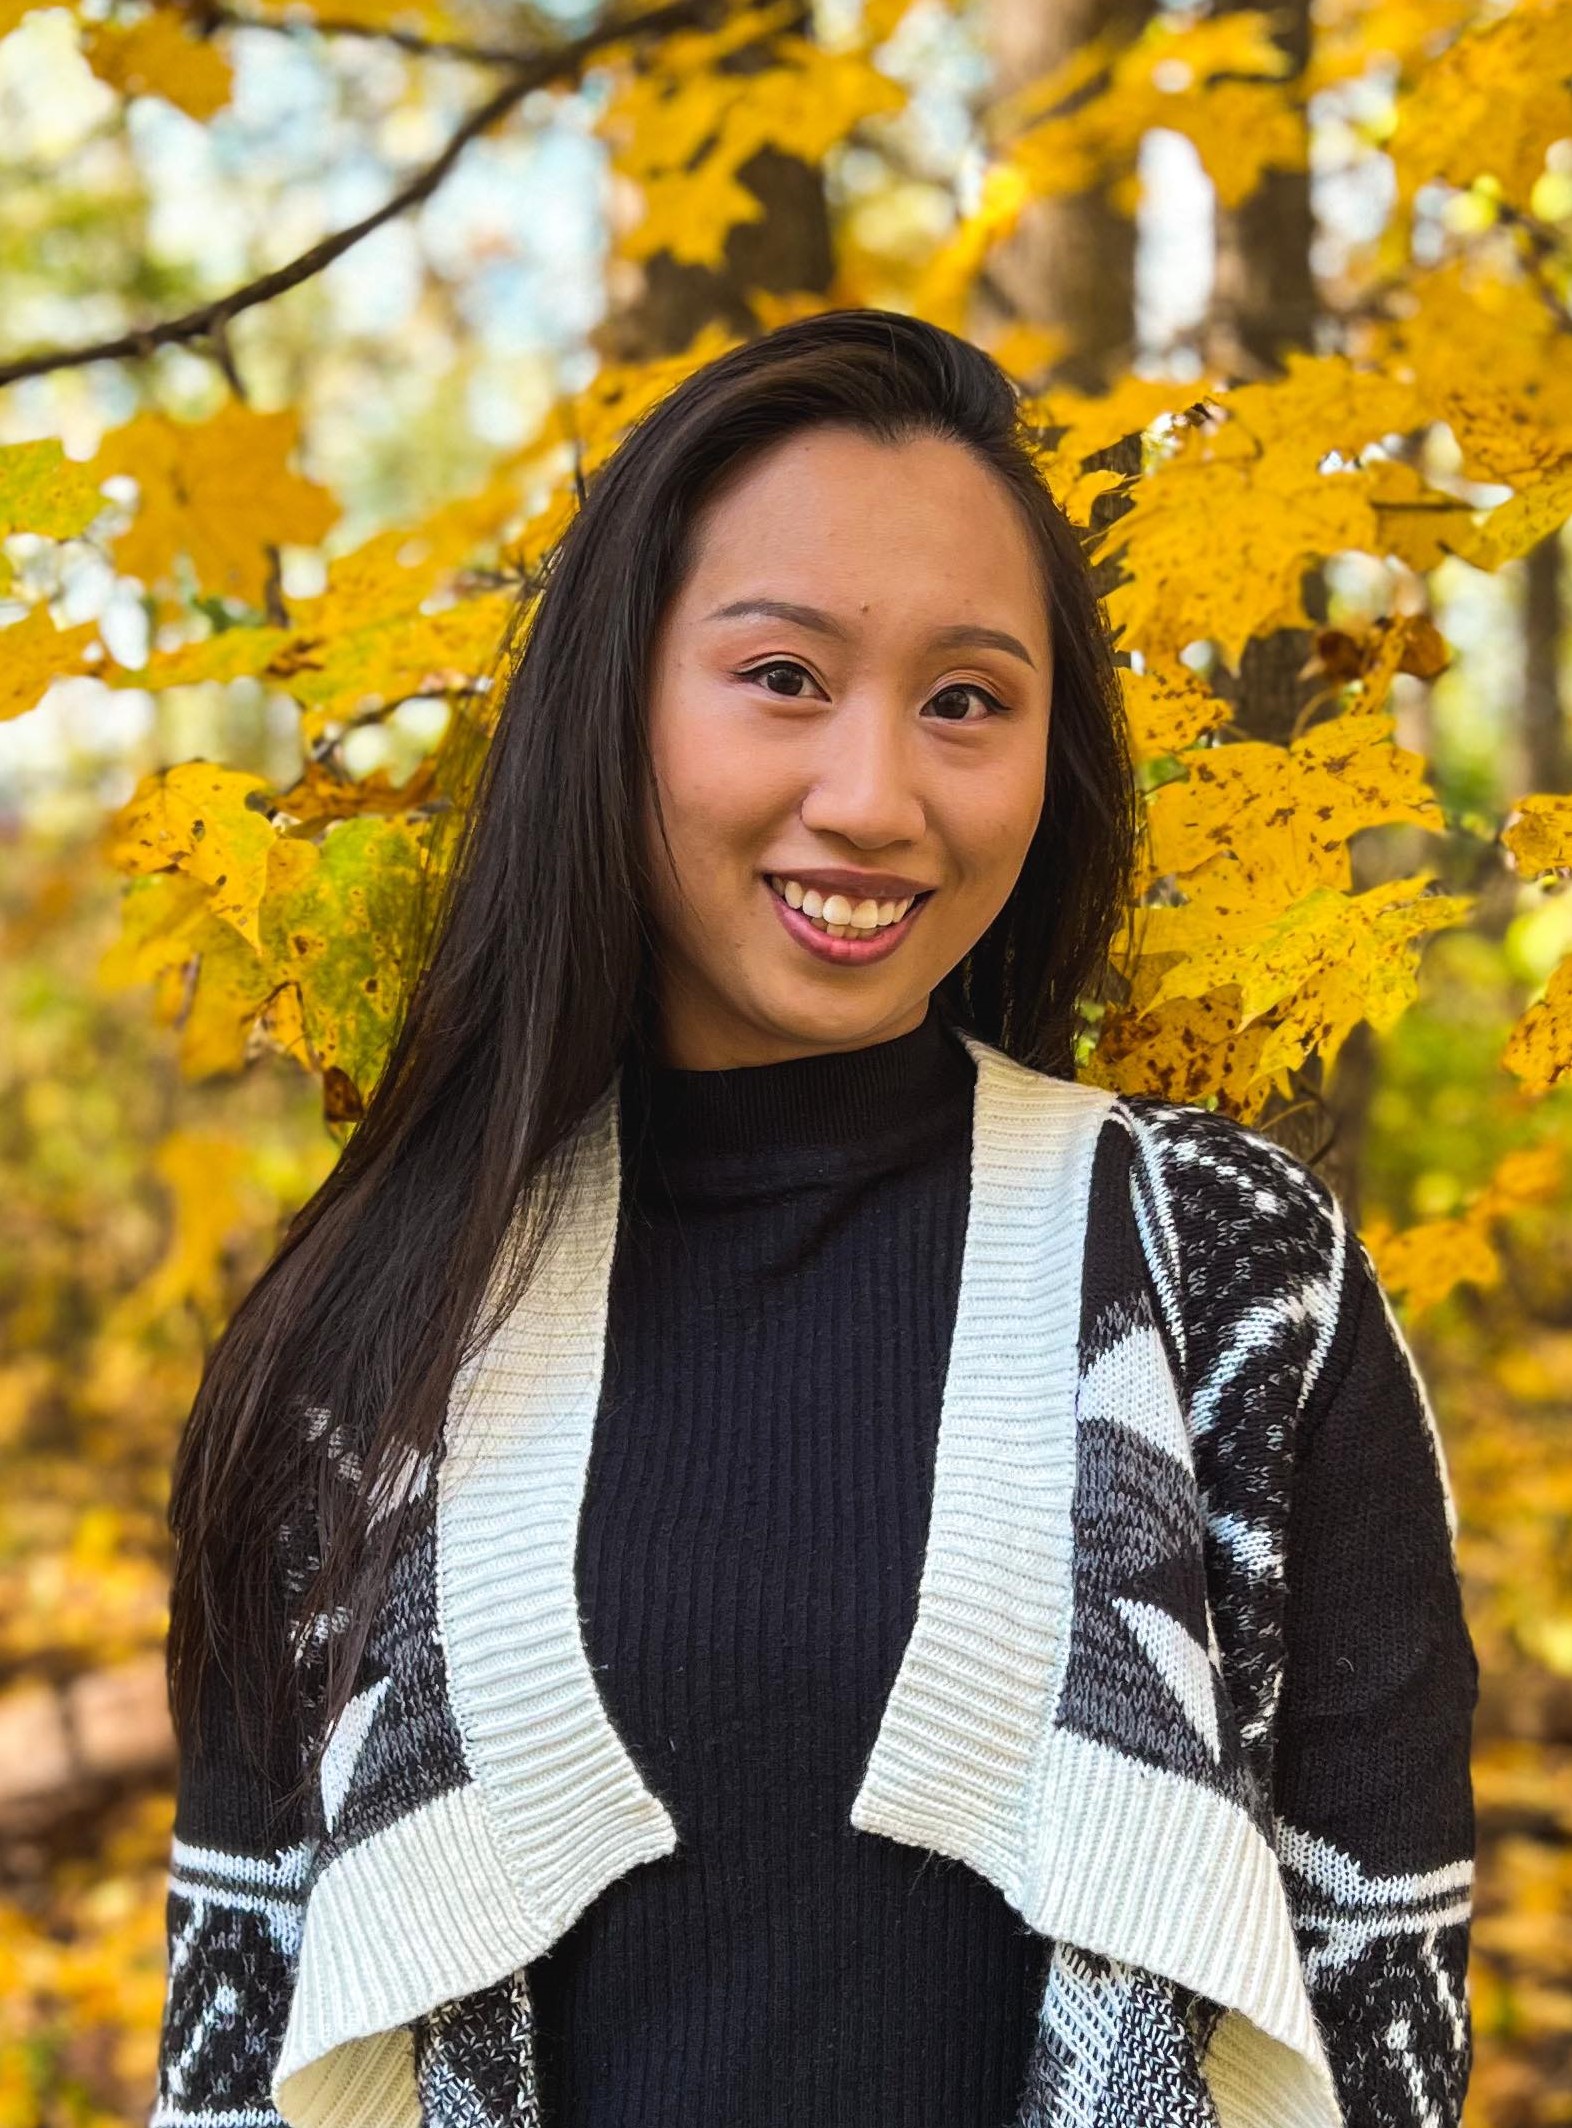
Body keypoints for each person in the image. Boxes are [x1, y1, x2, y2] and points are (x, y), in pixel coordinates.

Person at [149, 310, 1477, 2128]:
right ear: (616, 699)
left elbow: (1382, 2024)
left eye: (965, 701)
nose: (874, 800)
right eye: (783, 675)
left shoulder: (1232, 1279)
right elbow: (234, 2059)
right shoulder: (379, 1319)